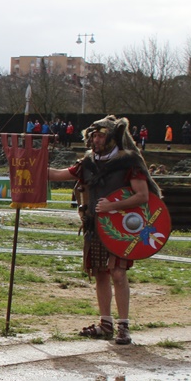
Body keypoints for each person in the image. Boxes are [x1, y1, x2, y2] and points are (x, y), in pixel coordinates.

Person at [46, 115, 159, 345]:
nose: (96, 140)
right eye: (93, 135)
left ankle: (123, 326)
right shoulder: (88, 162)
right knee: (100, 274)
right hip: (95, 226)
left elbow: (142, 195)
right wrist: (33, 164)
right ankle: (106, 323)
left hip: (121, 227)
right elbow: (58, 174)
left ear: (111, 137)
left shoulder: (129, 163)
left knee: (118, 274)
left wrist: (112, 206)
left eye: (100, 135)